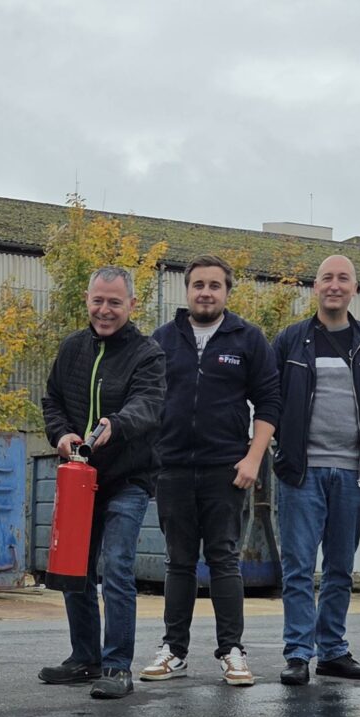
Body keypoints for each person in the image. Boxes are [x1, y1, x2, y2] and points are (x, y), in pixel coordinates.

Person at [141, 255, 280, 686]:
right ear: (187, 291)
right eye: (198, 285)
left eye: (214, 285)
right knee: (179, 562)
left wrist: (253, 459)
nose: (205, 292)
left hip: (226, 469)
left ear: (226, 292)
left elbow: (270, 402)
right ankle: (173, 651)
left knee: (223, 559)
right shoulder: (162, 340)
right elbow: (145, 401)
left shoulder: (248, 339)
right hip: (174, 469)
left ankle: (232, 651)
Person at [38, 266, 166, 700]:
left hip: (127, 477)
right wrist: (60, 435)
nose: (105, 310)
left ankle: (116, 666)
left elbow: (149, 403)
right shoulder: (72, 348)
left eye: (114, 302)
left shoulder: (148, 354)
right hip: (79, 477)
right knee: (73, 567)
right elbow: (52, 400)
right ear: (87, 300)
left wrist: (117, 423)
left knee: (115, 566)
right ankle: (85, 658)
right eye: (98, 301)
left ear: (132, 304)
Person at [271, 255, 360, 685]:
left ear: (355, 288)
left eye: (343, 278)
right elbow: (271, 399)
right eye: (327, 278)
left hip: (351, 473)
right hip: (301, 473)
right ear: (315, 287)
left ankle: (333, 651)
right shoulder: (290, 340)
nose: (335, 285)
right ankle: (298, 653)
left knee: (340, 567)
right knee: (299, 567)